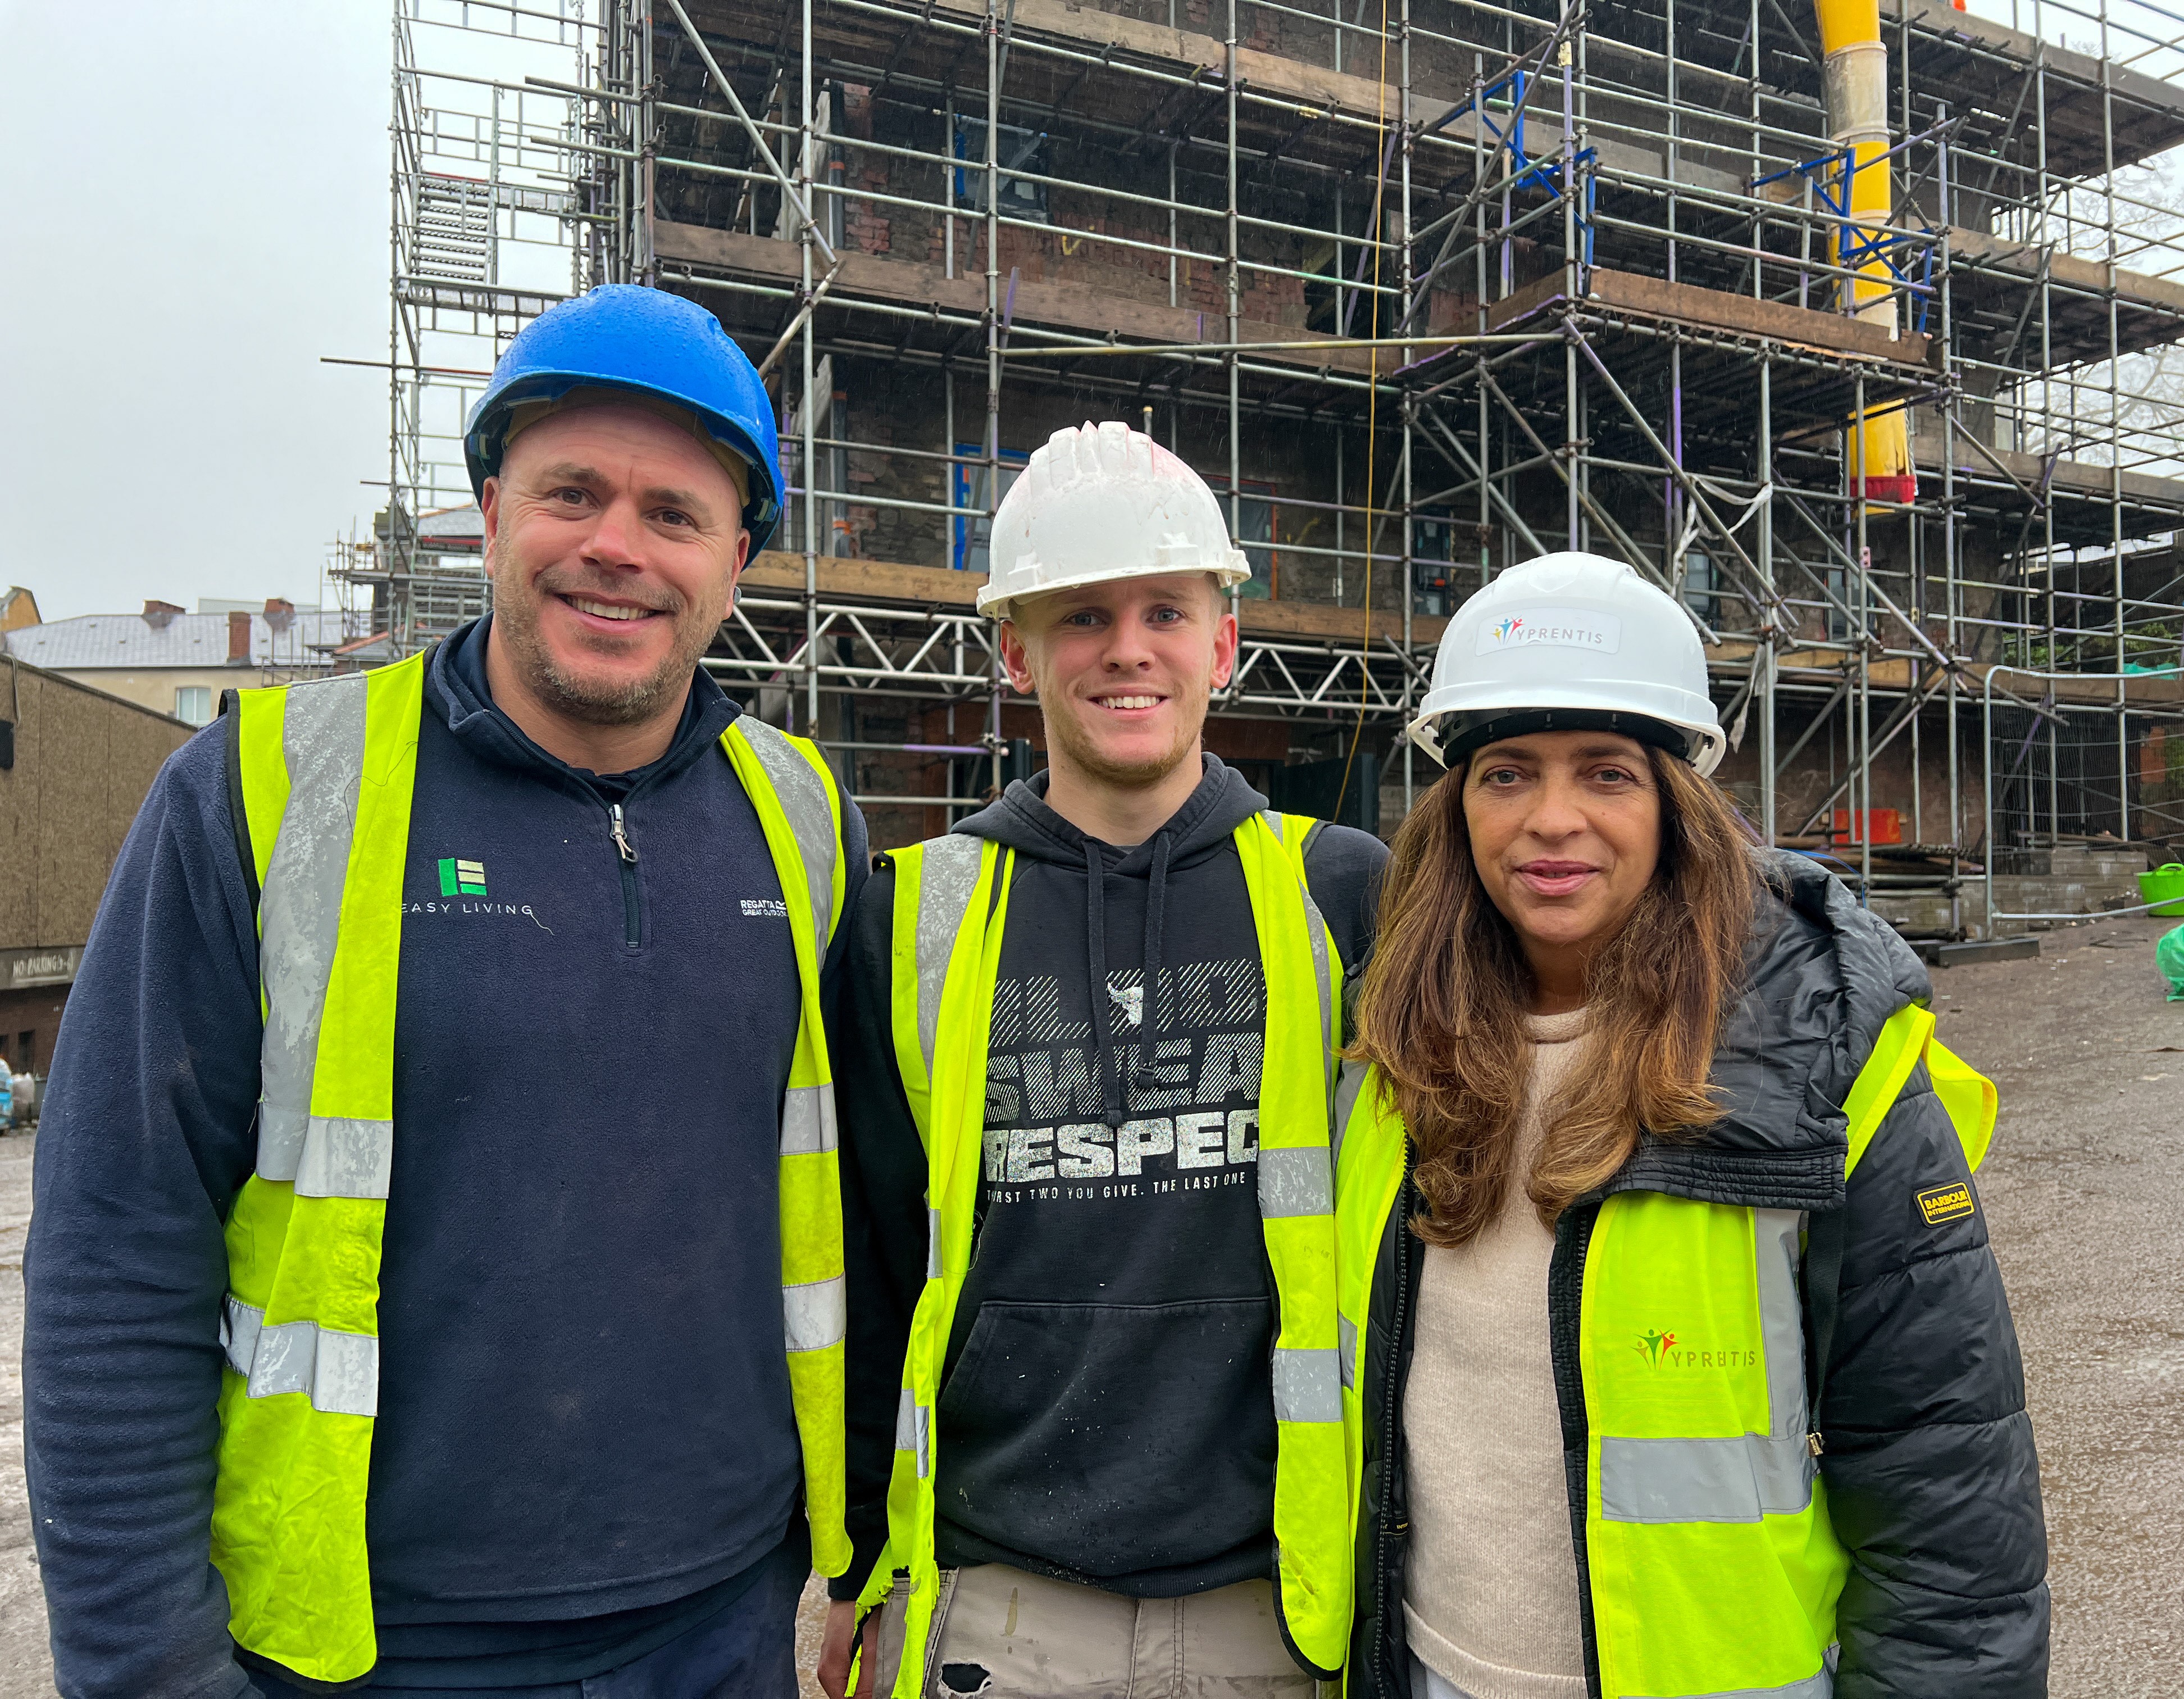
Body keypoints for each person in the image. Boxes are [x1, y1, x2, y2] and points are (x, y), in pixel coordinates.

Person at [24, 284, 865, 1697]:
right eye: (572, 494)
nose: (617, 547)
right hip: (375, 1647)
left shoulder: (801, 817)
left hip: (725, 1621)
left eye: (675, 515)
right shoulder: (267, 789)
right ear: (488, 514)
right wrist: (148, 1665)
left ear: (736, 564)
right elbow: (116, 1249)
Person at [1334, 553, 2049, 1699]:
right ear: (1455, 804)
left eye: (1607, 774)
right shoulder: (1381, 1049)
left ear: (1677, 800)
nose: (1550, 819)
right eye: (1506, 773)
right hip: (1431, 1674)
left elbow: (1940, 1463)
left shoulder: (1825, 1051)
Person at [817, 420, 1389, 1697]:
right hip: (997, 1604)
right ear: (1015, 651)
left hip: (1275, 1598)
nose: (1126, 649)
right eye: (1080, 618)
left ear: (1224, 644)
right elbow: (869, 1267)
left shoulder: (1338, 894)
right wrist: (855, 1567)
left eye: (1163, 613)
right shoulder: (910, 916)